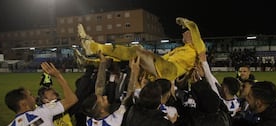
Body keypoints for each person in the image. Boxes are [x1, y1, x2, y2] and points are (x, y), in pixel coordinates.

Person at [77, 17, 205, 82]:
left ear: (192, 36)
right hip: (163, 69)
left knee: (137, 50)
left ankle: (92, 46)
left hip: (170, 70)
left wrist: (183, 22)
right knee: (126, 58)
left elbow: (194, 26)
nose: (183, 34)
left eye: (186, 32)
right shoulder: (182, 49)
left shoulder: (197, 47)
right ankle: (88, 62)